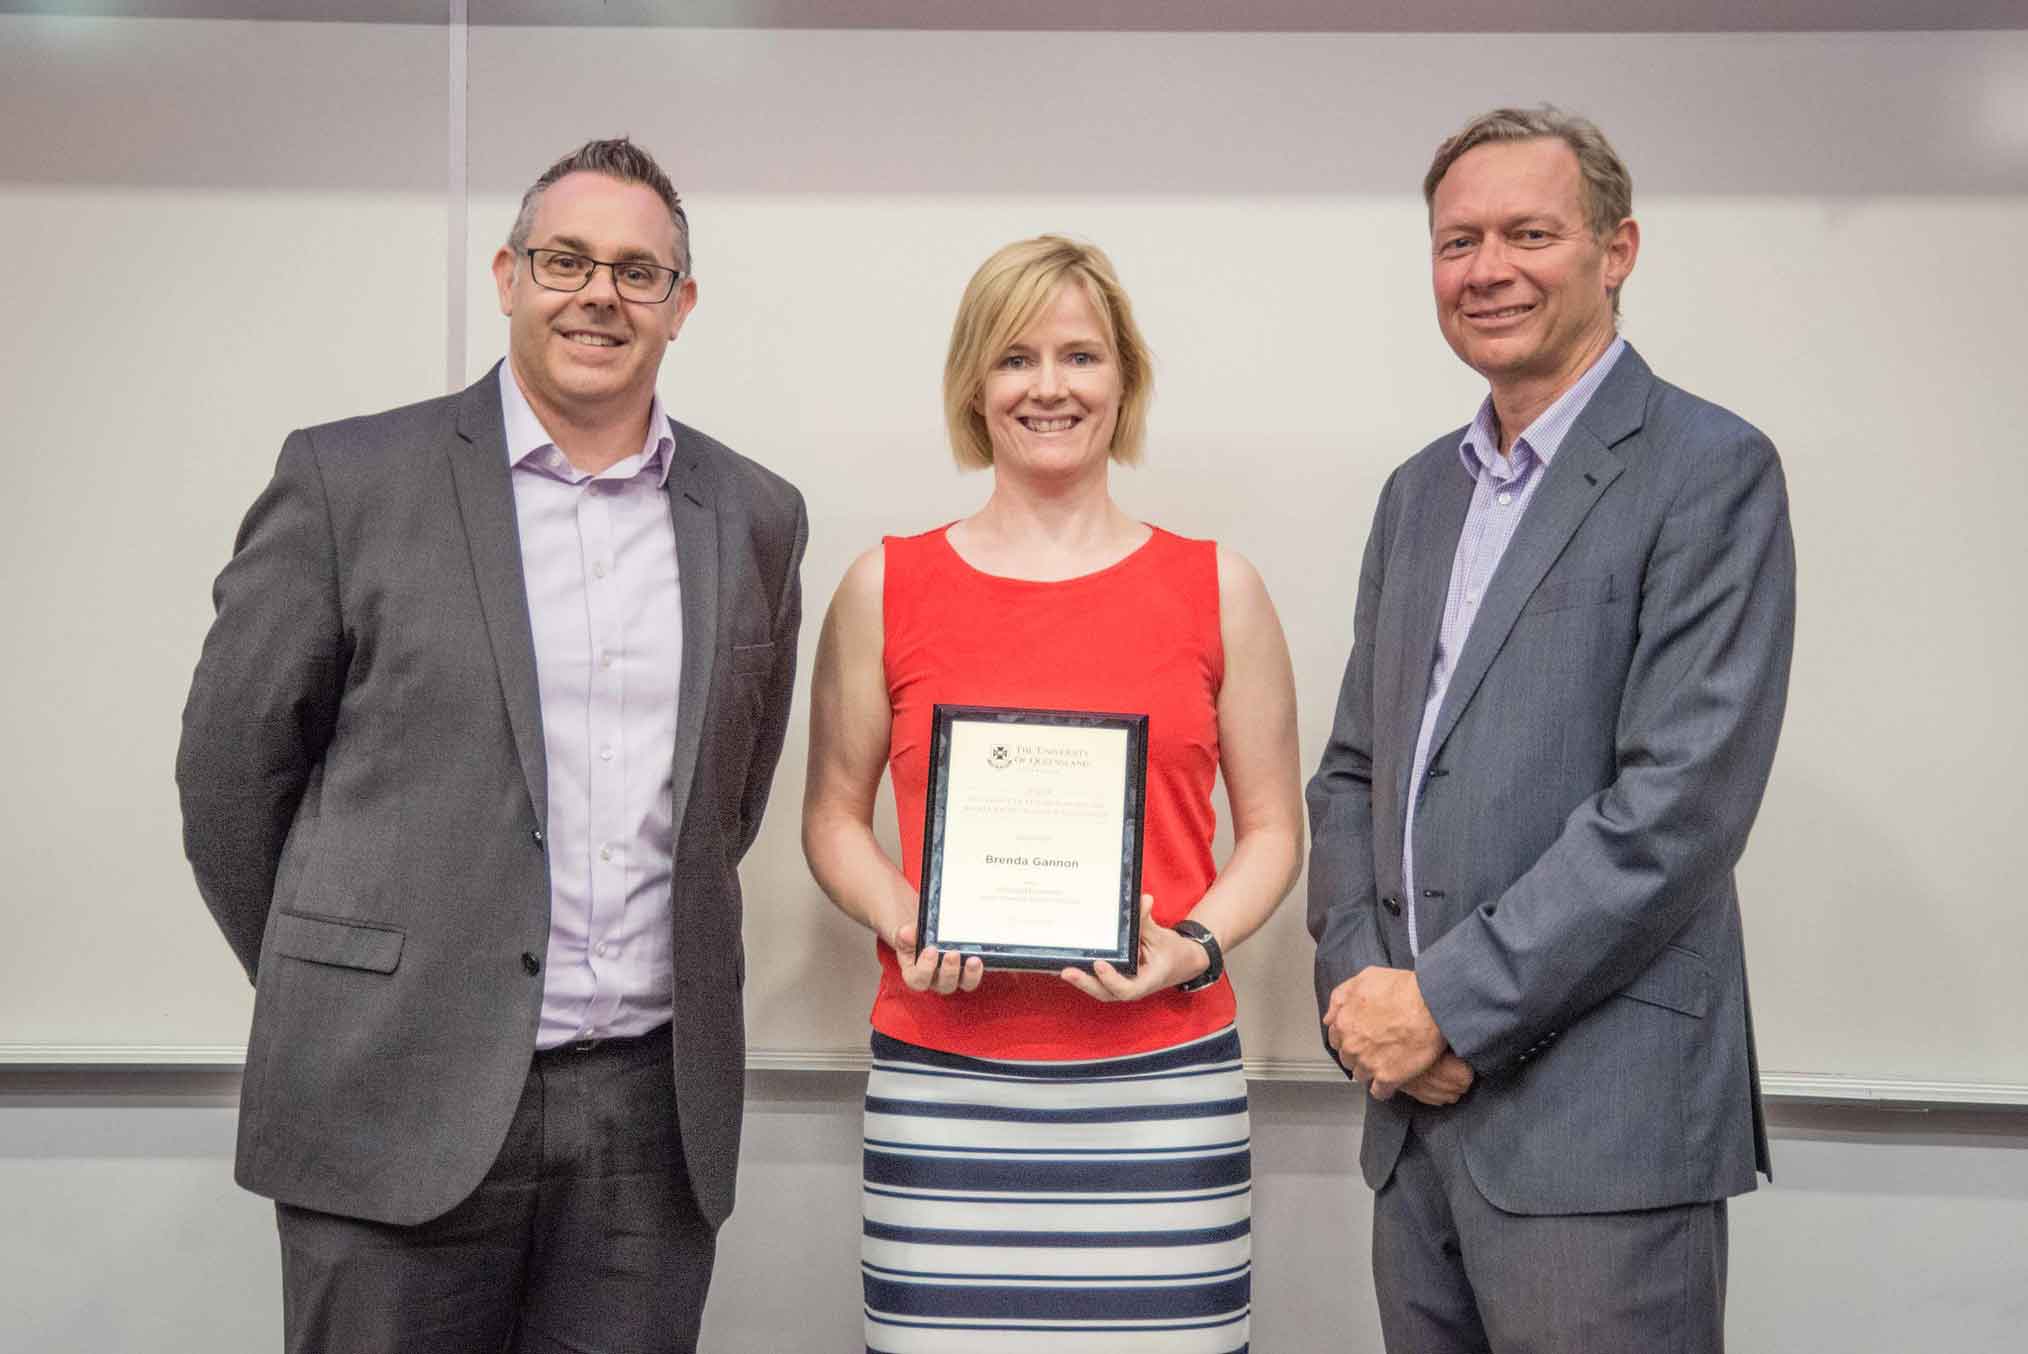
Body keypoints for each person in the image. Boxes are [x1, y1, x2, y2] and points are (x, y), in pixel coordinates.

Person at [176, 137, 805, 1354]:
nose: (599, 295)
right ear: (510, 274)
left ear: (682, 307)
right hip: (389, 1091)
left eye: (637, 271)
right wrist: (361, 980)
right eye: (567, 259)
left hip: (646, 1122)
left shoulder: (755, 514)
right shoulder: (348, 480)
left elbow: (729, 797)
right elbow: (228, 780)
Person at [1307, 105, 1795, 1351]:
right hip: (1412, 1134)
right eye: (1457, 240)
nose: (1488, 269)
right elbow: (1358, 773)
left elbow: (1676, 808)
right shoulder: (1419, 494)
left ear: (1617, 249)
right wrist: (1366, 993)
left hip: (1604, 1140)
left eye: (1530, 231)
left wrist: (1447, 1007)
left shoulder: (1709, 469)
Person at [803, 235, 1303, 1352]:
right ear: (974, 385)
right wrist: (902, 914)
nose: (1049, 386)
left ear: (1123, 377)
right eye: (1015, 356)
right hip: (944, 1083)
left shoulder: (1219, 587)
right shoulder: (886, 585)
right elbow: (831, 818)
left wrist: (1195, 945)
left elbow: (1274, 831)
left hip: (1165, 1090)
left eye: (1080, 355)